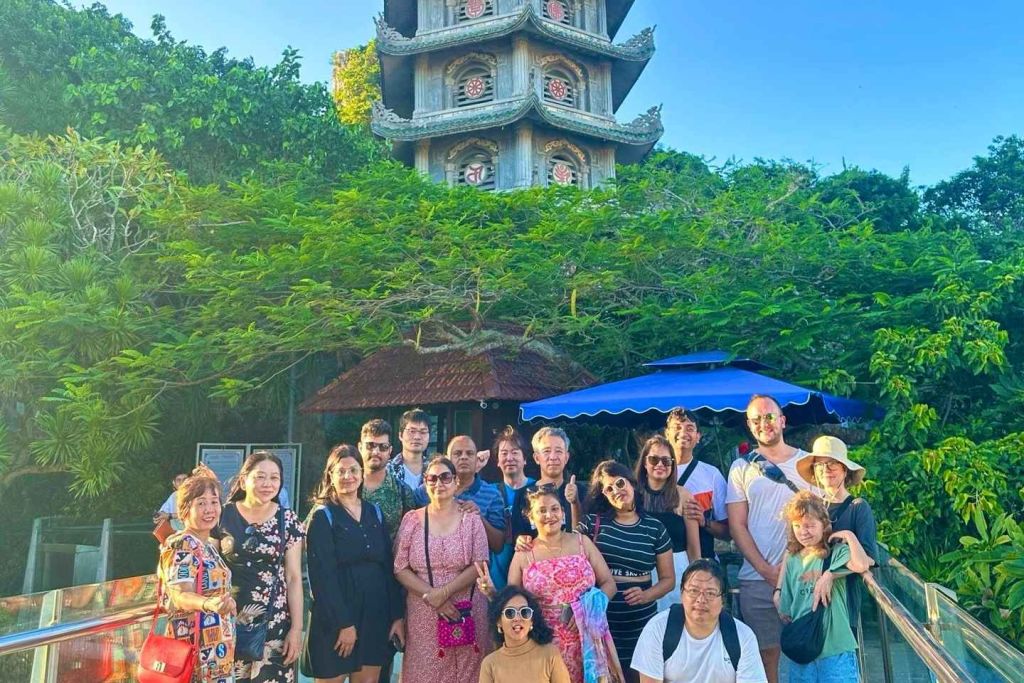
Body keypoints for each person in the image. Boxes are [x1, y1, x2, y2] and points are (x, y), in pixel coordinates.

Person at [479, 485, 618, 683]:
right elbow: (512, 600)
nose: (549, 515)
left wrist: (585, 609)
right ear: (531, 517)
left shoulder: (582, 543)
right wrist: (492, 592)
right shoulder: (524, 554)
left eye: (554, 509)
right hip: (543, 643)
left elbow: (609, 584)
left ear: (563, 513)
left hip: (587, 639)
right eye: (541, 510)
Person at [726, 394, 815, 683]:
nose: (763, 423)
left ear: (783, 420)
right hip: (757, 578)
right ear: (749, 425)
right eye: (756, 420)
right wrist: (766, 570)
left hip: (805, 576)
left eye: (769, 416)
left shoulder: (809, 464)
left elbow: (822, 520)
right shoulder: (741, 468)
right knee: (765, 658)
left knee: (809, 652)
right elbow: (737, 525)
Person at [303, 444, 405, 683]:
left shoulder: (374, 512)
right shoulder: (323, 516)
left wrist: (396, 616)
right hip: (335, 617)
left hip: (374, 614)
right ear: (330, 475)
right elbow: (322, 577)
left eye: (353, 470)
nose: (347, 476)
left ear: (362, 473)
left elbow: (387, 567)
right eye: (341, 471)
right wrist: (344, 624)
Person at [394, 456, 489, 683]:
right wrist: (432, 595)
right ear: (425, 484)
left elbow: (480, 563)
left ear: (456, 482)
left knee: (468, 674)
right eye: (432, 478)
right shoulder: (412, 520)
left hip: (466, 611)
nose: (439, 483)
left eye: (445, 477)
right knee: (426, 672)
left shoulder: (471, 519)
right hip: (424, 612)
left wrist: (444, 593)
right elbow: (400, 567)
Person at [579, 460, 675, 683]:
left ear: (632, 483)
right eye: (608, 489)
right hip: (601, 623)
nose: (616, 490)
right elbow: (566, 549)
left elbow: (668, 579)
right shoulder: (592, 523)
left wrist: (646, 595)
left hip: (640, 623)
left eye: (620, 483)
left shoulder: (655, 528)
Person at [221, 451, 305, 682]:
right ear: (243, 480)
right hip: (228, 621)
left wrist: (296, 629)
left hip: (274, 625)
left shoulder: (288, 520)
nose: (267, 484)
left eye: (274, 478)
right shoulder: (222, 515)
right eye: (260, 477)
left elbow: (293, 578)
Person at [775, 492, 871, 682]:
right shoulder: (793, 559)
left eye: (810, 525)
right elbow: (786, 609)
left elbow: (861, 565)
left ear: (824, 525)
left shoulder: (836, 553)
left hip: (836, 648)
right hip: (804, 650)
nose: (803, 531)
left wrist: (849, 535)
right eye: (797, 526)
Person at [156, 465, 237, 683]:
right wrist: (209, 604)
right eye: (201, 503)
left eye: (214, 502)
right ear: (184, 510)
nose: (209, 509)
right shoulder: (183, 543)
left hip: (215, 654)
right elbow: (180, 594)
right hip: (195, 656)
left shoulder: (207, 545)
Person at [631, 559, 767, 683]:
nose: (701, 600)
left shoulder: (743, 636)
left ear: (723, 600)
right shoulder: (657, 628)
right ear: (681, 593)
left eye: (710, 593)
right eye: (693, 591)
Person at [795, 436, 878, 634]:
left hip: (843, 598)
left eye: (832, 463)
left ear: (844, 469)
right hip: (809, 596)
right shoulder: (812, 506)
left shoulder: (858, 507)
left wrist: (832, 574)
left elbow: (869, 558)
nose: (826, 469)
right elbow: (794, 549)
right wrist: (780, 590)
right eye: (820, 465)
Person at [633, 436, 702, 611]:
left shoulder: (683, 495)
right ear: (644, 462)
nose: (660, 465)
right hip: (641, 572)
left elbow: (693, 547)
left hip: (678, 571)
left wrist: (697, 579)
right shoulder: (632, 495)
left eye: (666, 461)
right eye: (654, 459)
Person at [412, 435, 506, 553]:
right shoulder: (430, 489)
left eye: (469, 453)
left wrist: (479, 518)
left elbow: (498, 546)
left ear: (477, 460)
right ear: (447, 459)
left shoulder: (492, 495)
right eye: (458, 453)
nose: (464, 457)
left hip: (474, 563)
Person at [665, 409, 730, 558]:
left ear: (698, 436)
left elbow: (728, 532)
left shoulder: (711, 475)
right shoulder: (654, 473)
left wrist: (704, 521)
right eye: (677, 427)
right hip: (662, 564)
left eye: (690, 428)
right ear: (667, 433)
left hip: (702, 562)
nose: (683, 433)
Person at [479, 585, 571, 683]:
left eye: (524, 612)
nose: (518, 618)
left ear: (531, 621)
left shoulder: (550, 654)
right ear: (498, 621)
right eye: (510, 613)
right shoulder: (489, 664)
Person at [508, 427, 576, 540]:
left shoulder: (580, 493)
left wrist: (575, 501)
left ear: (566, 457)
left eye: (559, 451)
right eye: (546, 451)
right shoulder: (523, 495)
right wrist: (521, 541)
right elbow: (518, 537)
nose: (553, 457)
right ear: (536, 458)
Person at [489, 427, 536, 589]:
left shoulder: (537, 490)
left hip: (530, 573)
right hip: (496, 578)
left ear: (525, 459)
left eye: (515, 452)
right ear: (497, 461)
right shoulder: (490, 492)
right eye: (504, 453)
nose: (509, 458)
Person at [358, 418, 418, 538]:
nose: (376, 452)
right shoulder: (346, 486)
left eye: (383, 447)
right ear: (360, 447)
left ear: (390, 451)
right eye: (370, 445)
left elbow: (411, 536)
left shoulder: (403, 492)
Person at [386, 408, 432, 489]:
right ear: (400, 435)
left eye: (423, 432)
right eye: (412, 431)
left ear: (429, 437)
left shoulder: (434, 470)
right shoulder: (387, 470)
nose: (417, 437)